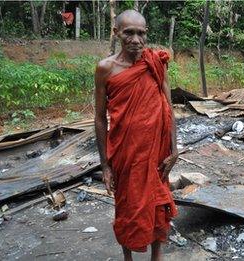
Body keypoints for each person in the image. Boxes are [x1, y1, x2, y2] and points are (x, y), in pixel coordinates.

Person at [94, 10, 178, 261]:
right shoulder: (105, 69)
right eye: (128, 32)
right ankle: (127, 257)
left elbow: (168, 107)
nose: (135, 39)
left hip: (156, 152)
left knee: (156, 202)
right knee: (128, 206)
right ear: (116, 32)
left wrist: (174, 150)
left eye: (141, 33)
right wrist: (105, 165)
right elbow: (99, 118)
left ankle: (157, 255)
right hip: (124, 153)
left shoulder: (155, 63)